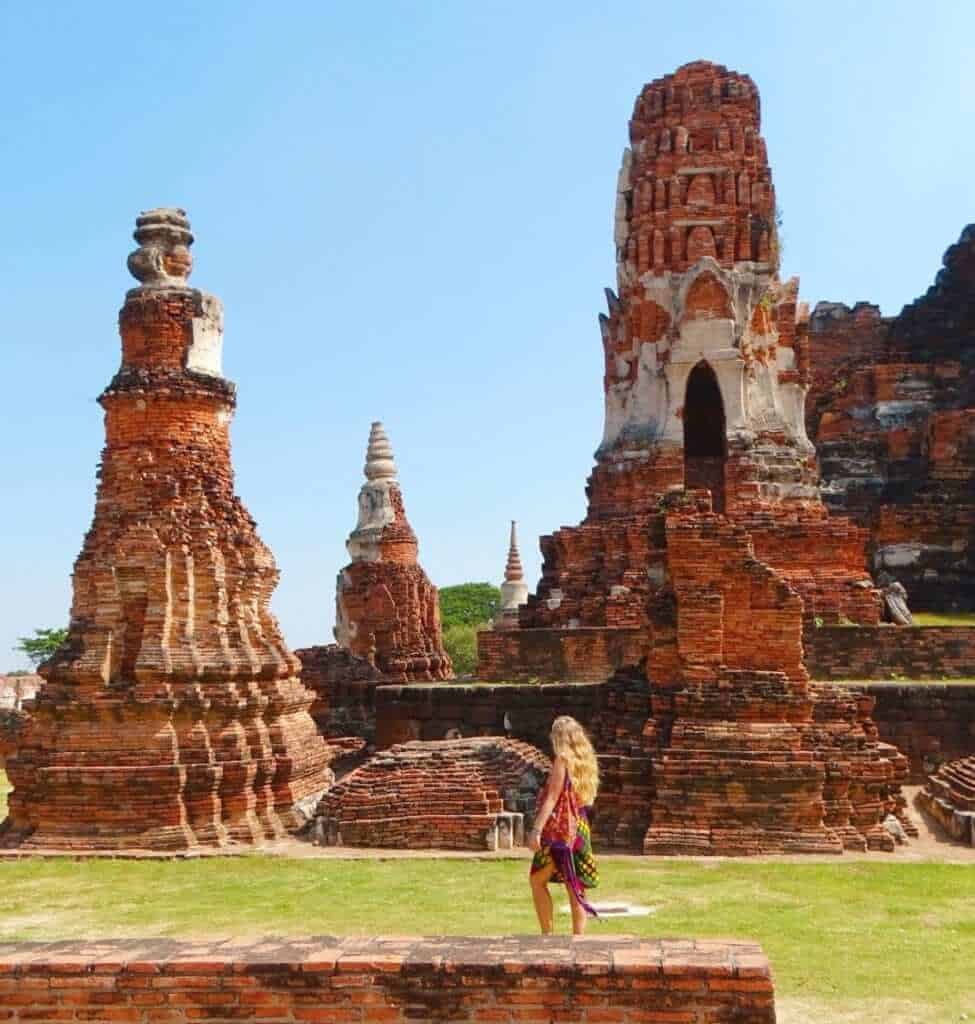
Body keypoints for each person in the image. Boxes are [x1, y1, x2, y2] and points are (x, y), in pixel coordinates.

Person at [528, 715, 599, 935]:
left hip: (560, 831)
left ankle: (547, 936)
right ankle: (578, 939)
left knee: (537, 881)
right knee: (575, 886)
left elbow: (552, 797)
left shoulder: (562, 760)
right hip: (580, 827)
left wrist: (536, 830)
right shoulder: (586, 760)